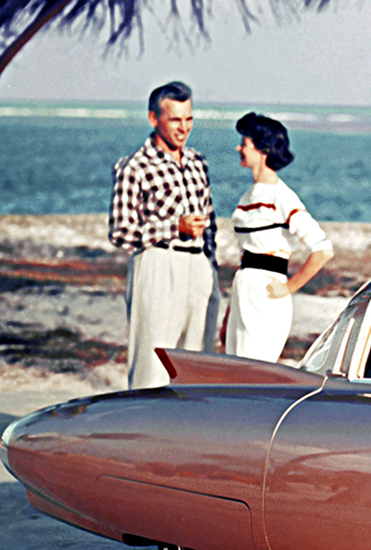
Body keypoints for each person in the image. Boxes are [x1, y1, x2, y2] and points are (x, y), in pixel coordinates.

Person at [109, 81, 218, 389]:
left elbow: (210, 223)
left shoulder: (198, 162)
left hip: (199, 266)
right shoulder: (134, 167)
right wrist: (175, 227)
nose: (183, 128)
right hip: (157, 264)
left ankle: (190, 422)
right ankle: (145, 420)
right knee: (152, 363)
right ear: (153, 119)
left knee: (199, 364)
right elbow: (121, 231)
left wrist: (211, 268)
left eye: (189, 119)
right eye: (175, 120)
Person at [228, 112, 333, 363]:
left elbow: (323, 250)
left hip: (266, 293)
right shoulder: (247, 197)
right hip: (243, 289)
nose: (239, 148)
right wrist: (228, 316)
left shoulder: (282, 197)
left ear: (263, 149)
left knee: (253, 371)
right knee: (235, 370)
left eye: (244, 143)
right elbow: (246, 255)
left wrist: (288, 287)